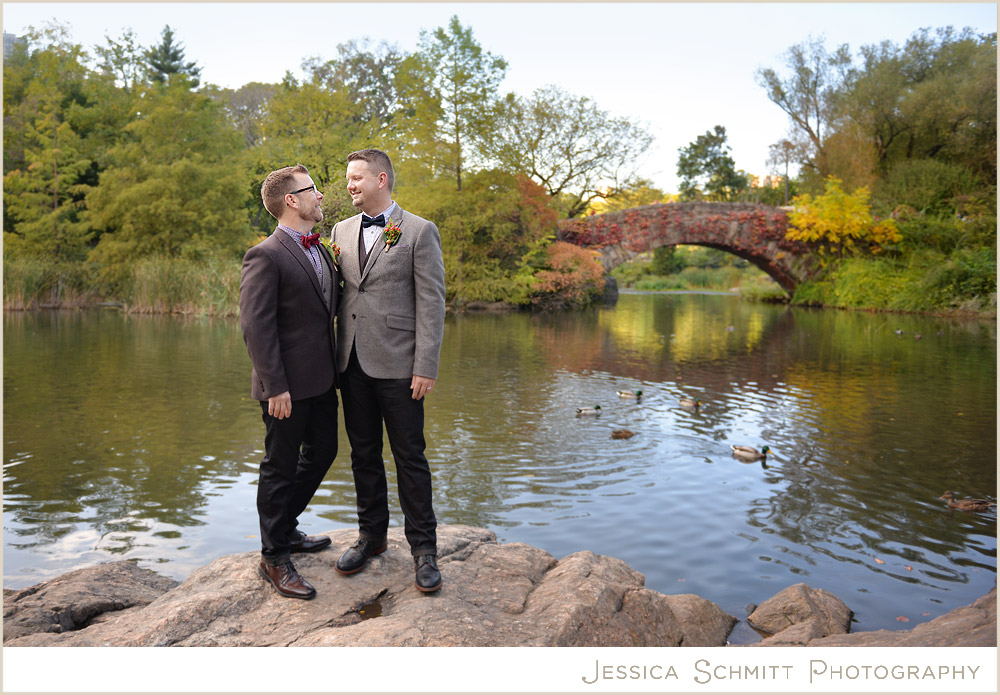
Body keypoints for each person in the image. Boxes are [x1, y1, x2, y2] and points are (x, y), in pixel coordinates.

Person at [331, 148, 446, 592]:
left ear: (381, 180)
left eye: (356, 177)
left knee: (409, 458)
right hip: (351, 361)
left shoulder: (419, 231)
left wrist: (426, 365)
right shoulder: (339, 231)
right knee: (363, 455)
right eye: (347, 178)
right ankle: (371, 537)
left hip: (402, 365)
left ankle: (424, 551)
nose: (349, 185)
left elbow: (432, 304)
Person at [239, 164, 340, 600]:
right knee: (279, 467)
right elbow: (256, 326)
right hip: (285, 388)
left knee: (324, 451)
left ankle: (286, 527)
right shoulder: (266, 254)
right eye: (313, 189)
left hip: (321, 379)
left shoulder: (320, 247)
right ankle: (275, 557)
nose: (321, 196)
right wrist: (275, 385)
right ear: (292, 200)